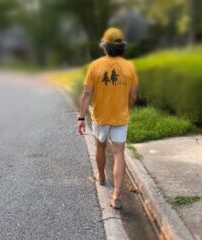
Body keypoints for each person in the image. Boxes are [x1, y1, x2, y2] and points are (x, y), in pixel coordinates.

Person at [77, 27, 138, 209]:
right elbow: (133, 97)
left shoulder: (95, 66)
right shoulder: (129, 67)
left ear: (105, 46)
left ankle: (102, 177)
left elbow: (87, 93)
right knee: (119, 153)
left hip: (101, 117)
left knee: (100, 147)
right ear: (122, 47)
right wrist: (124, 107)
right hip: (120, 117)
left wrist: (81, 118)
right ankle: (117, 195)